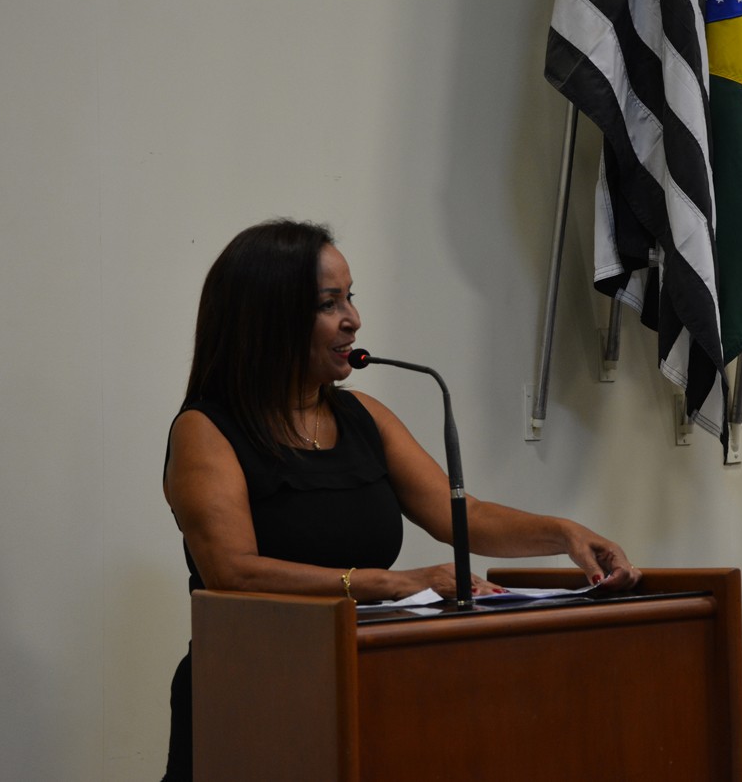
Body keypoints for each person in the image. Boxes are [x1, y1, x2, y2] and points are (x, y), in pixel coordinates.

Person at [160, 218, 640, 780]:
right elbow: (233, 573)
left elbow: (465, 516)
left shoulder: (364, 417)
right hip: (251, 693)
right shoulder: (206, 431)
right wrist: (391, 583)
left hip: (361, 679)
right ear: (268, 318)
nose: (353, 319)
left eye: (351, 297)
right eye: (328, 303)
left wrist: (565, 534)